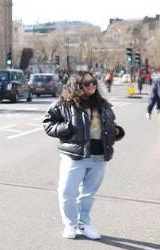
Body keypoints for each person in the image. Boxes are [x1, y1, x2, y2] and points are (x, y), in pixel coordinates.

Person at [43, 71, 125, 240]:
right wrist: (67, 128)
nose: (92, 86)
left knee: (88, 194)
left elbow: (109, 124)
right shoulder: (65, 103)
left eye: (93, 82)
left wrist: (116, 132)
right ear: (78, 85)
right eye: (87, 83)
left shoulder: (102, 104)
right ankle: (70, 224)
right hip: (75, 155)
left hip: (99, 156)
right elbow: (48, 124)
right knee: (67, 192)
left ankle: (84, 223)